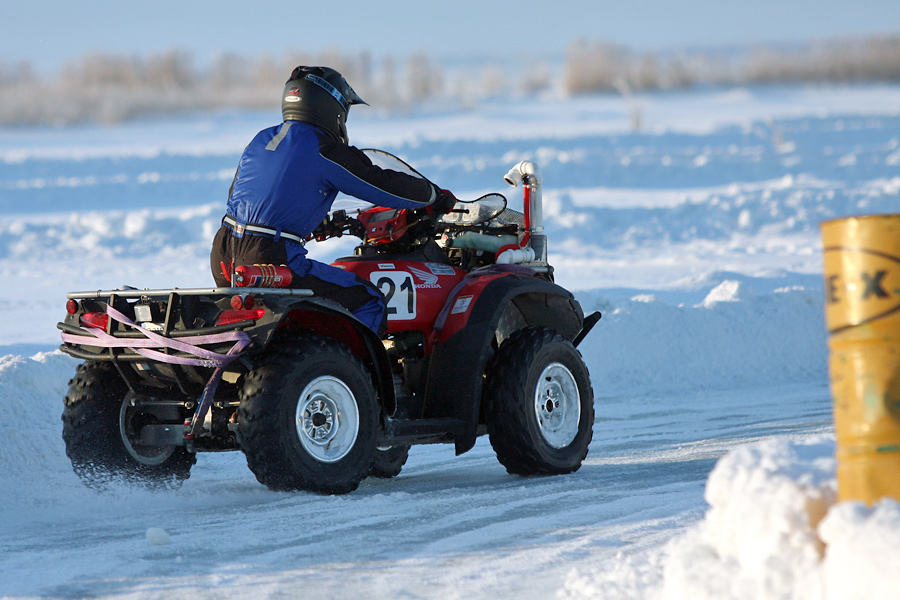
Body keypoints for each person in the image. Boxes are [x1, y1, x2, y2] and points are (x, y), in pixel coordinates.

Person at [210, 66, 455, 336]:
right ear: (332, 108)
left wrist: (314, 223)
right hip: (271, 258)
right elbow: (380, 184)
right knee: (369, 301)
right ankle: (349, 364)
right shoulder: (324, 149)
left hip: (223, 250)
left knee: (256, 330)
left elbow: (251, 199)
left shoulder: (260, 140)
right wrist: (432, 195)